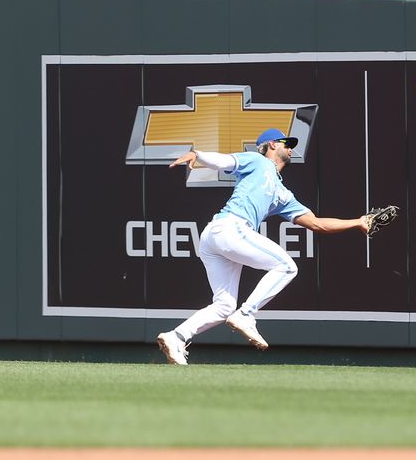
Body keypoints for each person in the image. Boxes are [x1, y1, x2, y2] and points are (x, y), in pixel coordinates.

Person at [156, 128, 369, 365]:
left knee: (224, 305)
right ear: (272, 145)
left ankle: (176, 336)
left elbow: (317, 224)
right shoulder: (258, 161)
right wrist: (199, 154)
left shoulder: (282, 193)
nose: (291, 147)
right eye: (286, 143)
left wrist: (358, 222)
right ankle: (246, 314)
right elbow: (227, 161)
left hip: (216, 237)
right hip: (230, 227)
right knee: (287, 267)